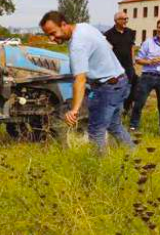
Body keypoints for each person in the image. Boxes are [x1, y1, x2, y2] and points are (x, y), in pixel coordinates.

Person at [39, 11, 134, 154]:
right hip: (119, 81)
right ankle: (133, 154)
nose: (52, 38)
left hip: (107, 86)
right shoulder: (83, 27)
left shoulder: (78, 45)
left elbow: (80, 79)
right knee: (114, 125)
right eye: (48, 35)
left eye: (53, 33)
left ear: (64, 24)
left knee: (96, 130)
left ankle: (99, 169)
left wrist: (75, 109)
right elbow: (106, 45)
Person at [104, 12, 138, 112]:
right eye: (123, 19)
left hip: (128, 66)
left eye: (127, 19)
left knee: (130, 87)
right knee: (117, 88)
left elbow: (132, 47)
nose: (126, 21)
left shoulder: (130, 32)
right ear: (116, 20)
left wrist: (133, 59)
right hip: (115, 67)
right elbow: (107, 51)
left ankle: (126, 109)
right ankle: (116, 110)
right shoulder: (108, 34)